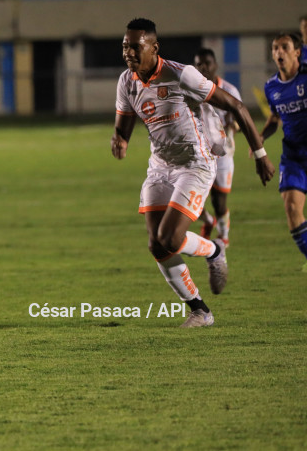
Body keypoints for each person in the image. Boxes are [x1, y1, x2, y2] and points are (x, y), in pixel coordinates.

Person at [111, 18, 273, 327]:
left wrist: (261, 155)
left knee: (169, 237)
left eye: (135, 46)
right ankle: (200, 310)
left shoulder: (181, 74)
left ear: (154, 48)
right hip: (160, 166)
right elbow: (124, 120)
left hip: (195, 165)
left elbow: (236, 107)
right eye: (124, 46)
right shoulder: (126, 81)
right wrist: (120, 139)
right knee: (156, 244)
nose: (129, 52)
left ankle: (214, 249)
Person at [259, 32, 307, 265]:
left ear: (297, 52)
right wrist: (260, 137)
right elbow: (275, 119)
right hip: (294, 156)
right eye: (275, 48)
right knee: (291, 208)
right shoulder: (271, 87)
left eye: (285, 47)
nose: (279, 52)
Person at [193, 48, 243, 246]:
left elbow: (239, 118)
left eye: (206, 63)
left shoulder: (229, 90)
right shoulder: (192, 90)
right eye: (198, 64)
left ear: (215, 65)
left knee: (219, 201)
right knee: (189, 199)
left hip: (222, 155)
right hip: (197, 154)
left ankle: (223, 235)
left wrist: (231, 130)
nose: (203, 67)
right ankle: (208, 220)